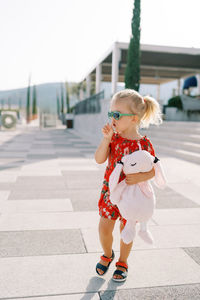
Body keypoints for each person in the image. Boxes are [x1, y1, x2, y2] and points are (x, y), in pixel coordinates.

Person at [94, 89, 162, 282]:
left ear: (133, 118)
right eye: (110, 114)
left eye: (116, 114)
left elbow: (155, 168)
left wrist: (142, 177)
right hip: (111, 193)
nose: (112, 118)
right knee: (104, 229)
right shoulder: (114, 139)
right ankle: (107, 254)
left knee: (127, 229)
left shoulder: (145, 144)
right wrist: (105, 140)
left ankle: (123, 262)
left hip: (132, 197)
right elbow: (99, 159)